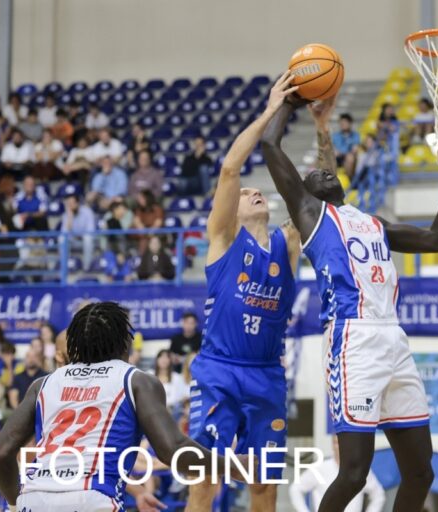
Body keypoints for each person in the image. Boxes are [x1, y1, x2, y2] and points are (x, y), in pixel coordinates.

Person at [260, 82, 438, 512]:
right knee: (354, 473)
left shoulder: (371, 222)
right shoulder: (313, 217)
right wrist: (287, 102)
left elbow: (436, 238)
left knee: (420, 472)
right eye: (315, 173)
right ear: (306, 194)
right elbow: (268, 143)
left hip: (393, 338)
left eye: (326, 169)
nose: (324, 170)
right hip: (353, 341)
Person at [0, 301, 250, 512]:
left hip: (35, 497)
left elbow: (0, 455)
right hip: (92, 497)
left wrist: (16, 503)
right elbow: (173, 450)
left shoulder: (42, 384)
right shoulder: (136, 379)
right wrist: (233, 465)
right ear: (125, 342)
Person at [186, 72, 301, 512]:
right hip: (219, 370)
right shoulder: (223, 241)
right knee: (205, 478)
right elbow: (232, 167)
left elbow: (318, 196)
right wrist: (272, 110)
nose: (253, 191)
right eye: (246, 192)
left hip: (266, 373)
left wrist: (323, 131)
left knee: (264, 485)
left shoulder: (286, 243)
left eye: (259, 191)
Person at [289, 436, 385, 512]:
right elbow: (295, 489)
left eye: (342, 443)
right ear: (332, 445)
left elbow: (378, 495)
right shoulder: (320, 468)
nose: (339, 446)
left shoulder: (359, 470)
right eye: (336, 442)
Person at [331, 113, 360, 177]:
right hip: (337, 159)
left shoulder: (355, 135)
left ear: (350, 123)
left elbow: (354, 150)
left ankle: (349, 180)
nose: (342, 124)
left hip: (348, 158)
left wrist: (341, 152)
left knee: (350, 158)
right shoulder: (336, 136)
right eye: (341, 123)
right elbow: (333, 148)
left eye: (345, 122)